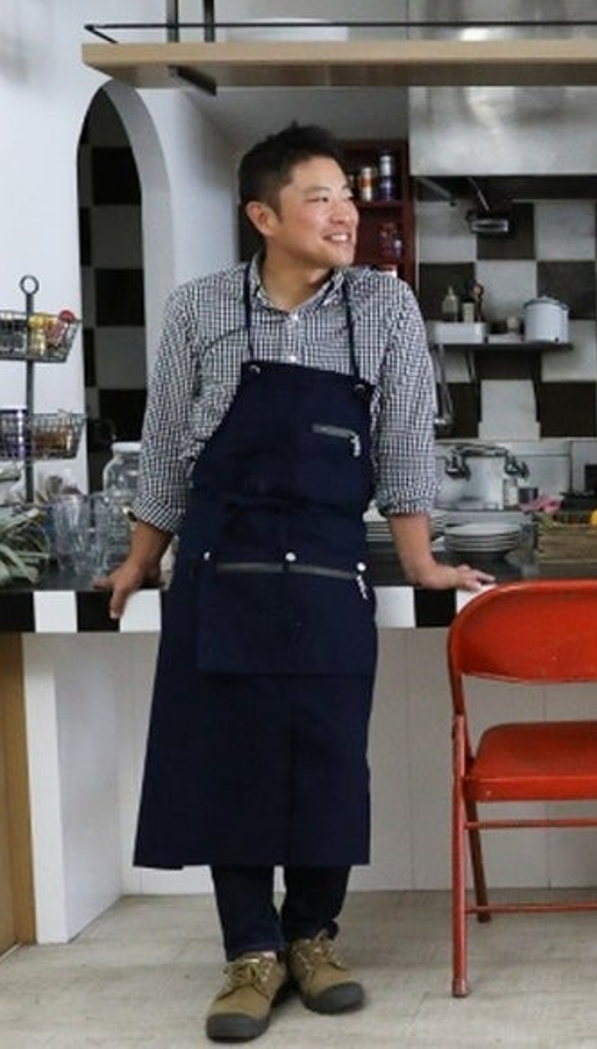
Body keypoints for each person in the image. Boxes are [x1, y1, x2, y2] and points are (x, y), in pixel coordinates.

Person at [100, 123, 490, 1043]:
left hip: (325, 569)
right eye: (322, 198)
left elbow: (404, 442)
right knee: (227, 760)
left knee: (325, 760)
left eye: (348, 195)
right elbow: (166, 445)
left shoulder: (383, 307)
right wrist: (142, 555)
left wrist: (422, 560)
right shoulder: (199, 309)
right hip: (219, 568)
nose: (345, 213)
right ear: (263, 216)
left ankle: (313, 938)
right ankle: (250, 953)